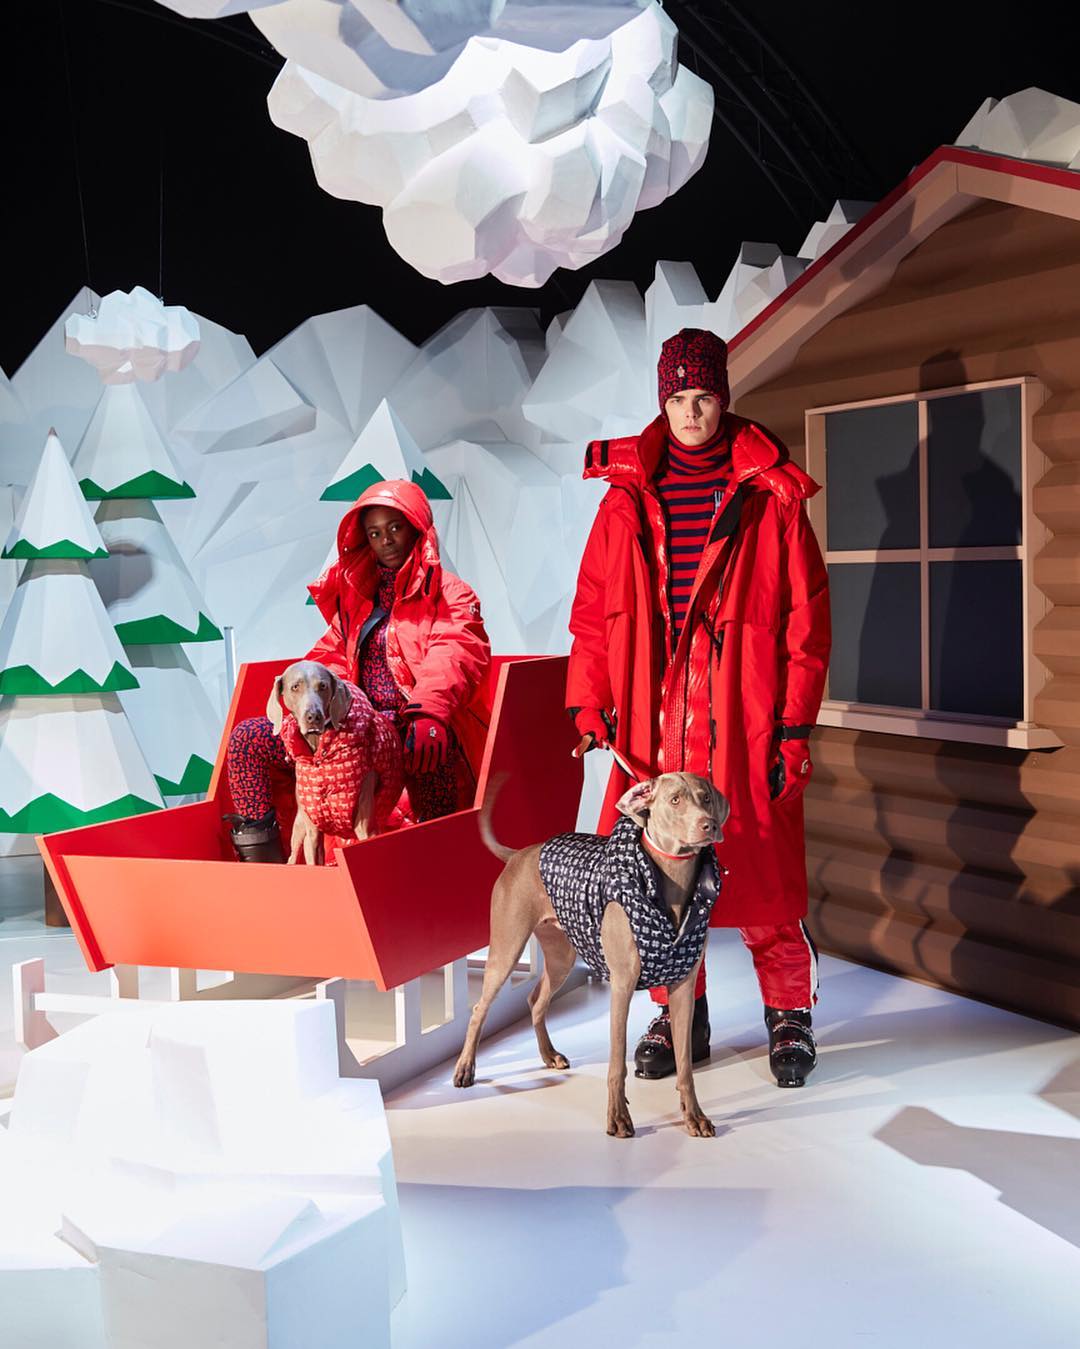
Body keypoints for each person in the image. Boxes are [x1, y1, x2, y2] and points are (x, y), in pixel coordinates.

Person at [566, 328, 830, 1086]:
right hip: (653, 721)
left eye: (704, 396)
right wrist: (589, 702)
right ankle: (682, 1012)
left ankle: (789, 1014)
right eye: (678, 397)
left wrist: (792, 727)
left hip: (743, 716)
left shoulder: (771, 498)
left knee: (763, 875)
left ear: (723, 398)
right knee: (659, 878)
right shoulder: (623, 500)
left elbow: (806, 621)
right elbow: (593, 614)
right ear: (663, 401)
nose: (691, 412)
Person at [225, 479, 492, 859]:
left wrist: (429, 711)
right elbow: (328, 661)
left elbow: (453, 652)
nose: (386, 540)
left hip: (406, 720)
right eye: (375, 533)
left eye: (395, 528)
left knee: (430, 749)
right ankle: (262, 863)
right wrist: (302, 711)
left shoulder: (451, 594)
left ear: (418, 529)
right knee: (248, 739)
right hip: (349, 722)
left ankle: (440, 860)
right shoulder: (358, 597)